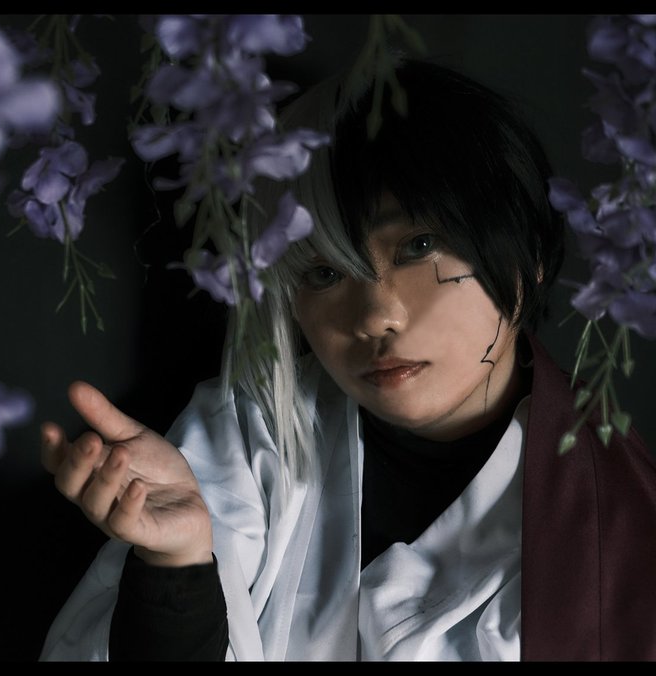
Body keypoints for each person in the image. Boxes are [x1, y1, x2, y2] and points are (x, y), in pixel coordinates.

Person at [37, 59, 656, 661]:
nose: (375, 315)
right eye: (324, 273)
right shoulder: (250, 437)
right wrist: (177, 568)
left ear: (527, 255)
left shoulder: (621, 530)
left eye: (418, 246)